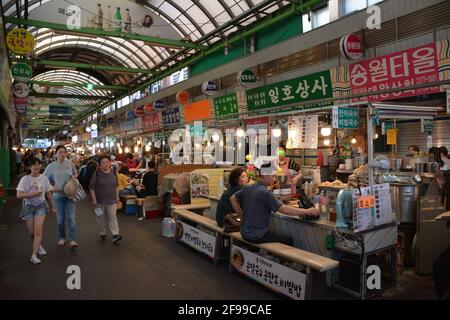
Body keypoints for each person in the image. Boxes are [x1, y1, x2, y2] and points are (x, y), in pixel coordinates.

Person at [230, 161, 319, 245]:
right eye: (273, 176)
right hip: (256, 235)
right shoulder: (265, 192)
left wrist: (242, 216)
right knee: (288, 240)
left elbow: (233, 199)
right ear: (264, 176)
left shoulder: (249, 187)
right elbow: (284, 210)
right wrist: (307, 211)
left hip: (244, 232)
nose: (275, 179)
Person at [17, 157, 56, 264]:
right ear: (29, 167)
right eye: (34, 165)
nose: (37, 166)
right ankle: (38, 246)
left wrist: (53, 206)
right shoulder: (25, 179)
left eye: (39, 164)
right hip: (28, 207)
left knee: (38, 231)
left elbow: (48, 193)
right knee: (31, 233)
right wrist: (34, 194)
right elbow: (19, 195)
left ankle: (33, 255)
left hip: (41, 206)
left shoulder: (44, 178)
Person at [43, 145, 79, 248]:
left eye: (64, 152)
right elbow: (44, 179)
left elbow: (76, 173)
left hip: (70, 195)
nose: (62, 154)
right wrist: (51, 187)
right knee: (60, 219)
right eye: (60, 152)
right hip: (58, 196)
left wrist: (73, 177)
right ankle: (62, 237)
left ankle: (72, 240)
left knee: (71, 218)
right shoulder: (51, 166)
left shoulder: (70, 163)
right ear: (56, 154)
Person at [89, 155, 122, 243]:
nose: (105, 164)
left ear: (110, 163)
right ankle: (102, 232)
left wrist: (117, 196)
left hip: (112, 200)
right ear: (99, 165)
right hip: (100, 201)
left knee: (113, 217)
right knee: (100, 218)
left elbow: (116, 186)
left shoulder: (114, 173)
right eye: (103, 162)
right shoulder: (96, 174)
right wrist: (94, 199)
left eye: (107, 162)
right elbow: (91, 188)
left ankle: (115, 234)